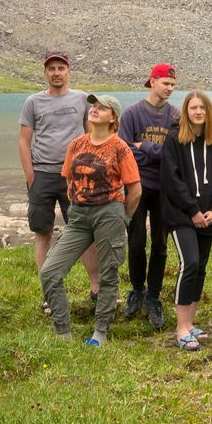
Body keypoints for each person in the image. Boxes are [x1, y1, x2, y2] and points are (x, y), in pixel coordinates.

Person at [40, 93, 141, 347]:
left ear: (113, 118)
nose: (94, 110)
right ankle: (63, 331)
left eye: (102, 108)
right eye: (93, 106)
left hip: (109, 213)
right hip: (78, 215)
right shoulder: (76, 144)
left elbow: (135, 189)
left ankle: (101, 332)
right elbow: (68, 177)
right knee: (50, 272)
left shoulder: (120, 148)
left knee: (108, 274)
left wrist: (123, 217)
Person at [17, 51, 99, 316]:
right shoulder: (33, 102)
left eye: (60, 68)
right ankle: (49, 294)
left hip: (75, 176)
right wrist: (31, 176)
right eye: (51, 68)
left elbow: (92, 135)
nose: (56, 73)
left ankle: (96, 289)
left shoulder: (82, 99)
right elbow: (23, 141)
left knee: (84, 231)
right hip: (42, 175)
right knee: (43, 232)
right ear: (45, 73)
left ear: (68, 71)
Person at [160, 90, 212, 351]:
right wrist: (192, 210)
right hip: (182, 215)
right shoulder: (174, 139)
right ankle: (181, 328)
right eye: (193, 108)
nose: (197, 112)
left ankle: (191, 322)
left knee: (200, 268)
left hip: (208, 215)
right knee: (189, 264)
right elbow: (172, 180)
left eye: (202, 108)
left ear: (208, 112)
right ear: (186, 111)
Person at [118, 63, 180, 330]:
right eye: (165, 83)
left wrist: (147, 147)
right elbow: (124, 150)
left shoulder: (176, 115)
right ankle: (137, 290)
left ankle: (154, 296)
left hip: (164, 187)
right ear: (152, 81)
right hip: (137, 185)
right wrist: (154, 152)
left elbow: (173, 152)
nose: (169, 88)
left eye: (173, 85)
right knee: (135, 241)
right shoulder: (132, 113)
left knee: (160, 242)